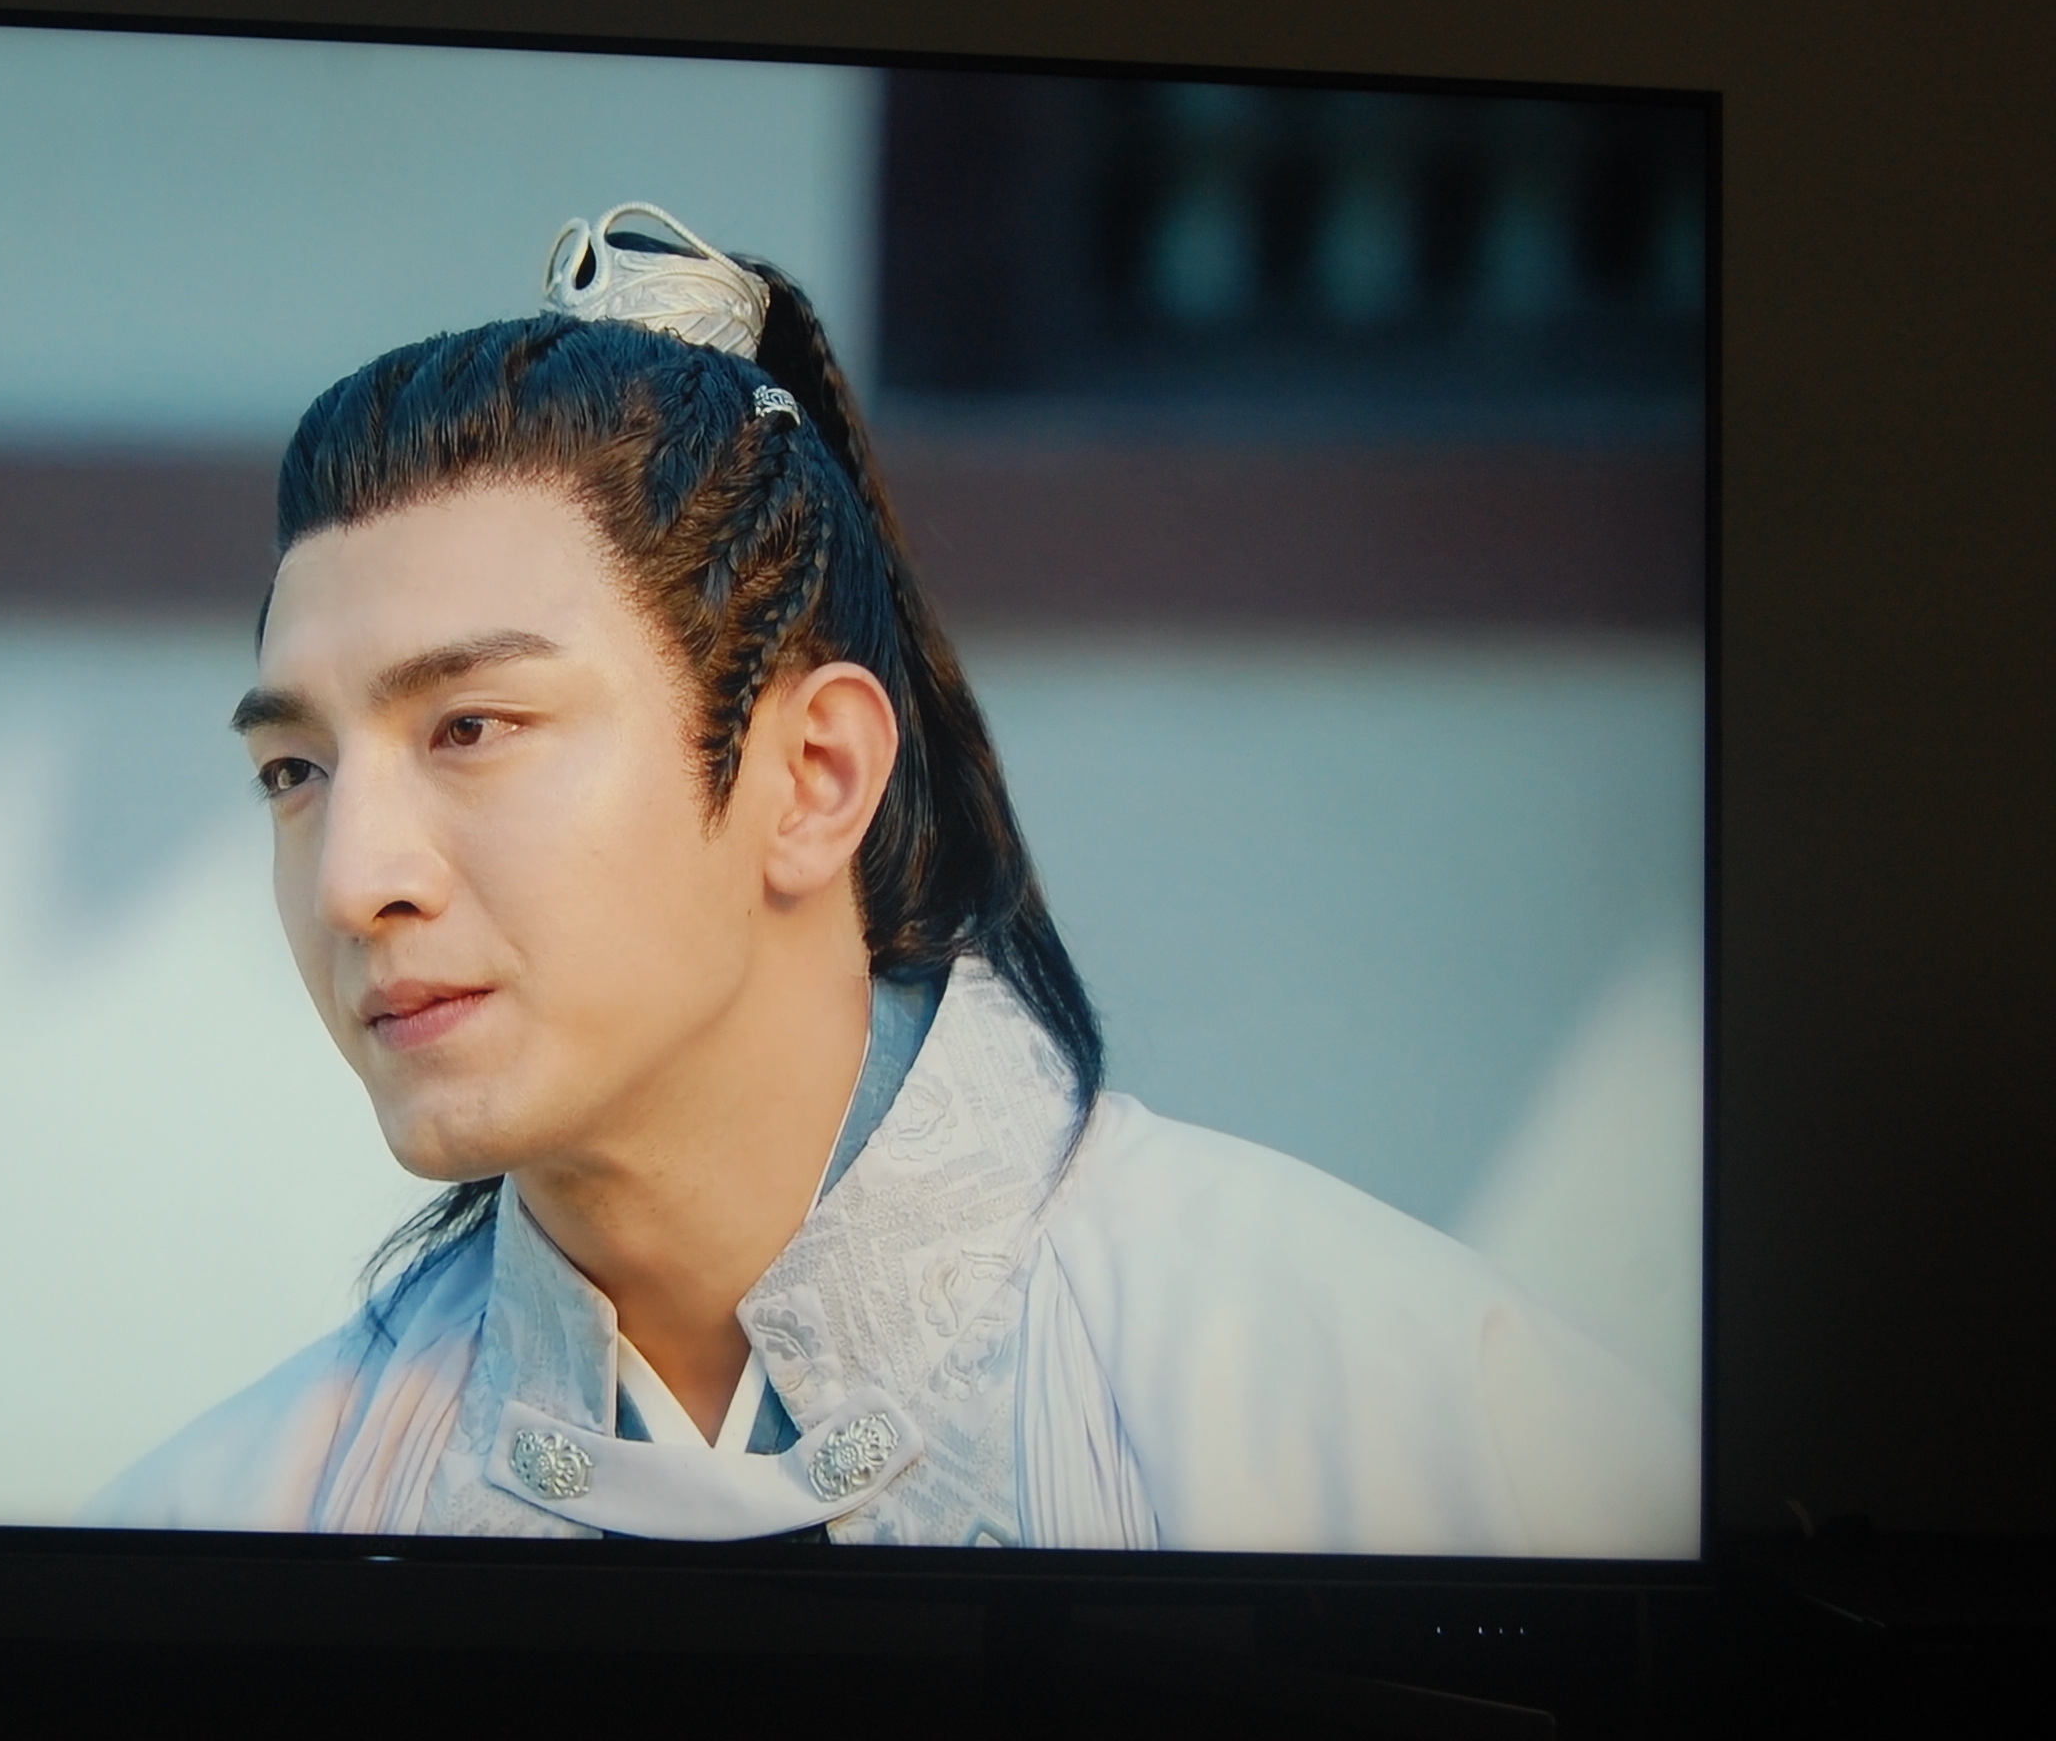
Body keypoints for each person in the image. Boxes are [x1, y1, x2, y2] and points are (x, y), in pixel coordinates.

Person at [82, 205, 1695, 1554]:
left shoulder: (1424, 1434)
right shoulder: (227, 1522)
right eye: (293, 771)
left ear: (815, 777)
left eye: (473, 728)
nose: (353, 880)